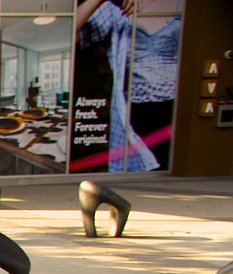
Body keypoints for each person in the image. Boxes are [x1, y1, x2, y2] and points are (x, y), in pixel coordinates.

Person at [75, 0, 181, 172]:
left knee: (177, 169)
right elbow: (69, 34)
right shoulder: (116, 8)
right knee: (146, 169)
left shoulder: (182, 5)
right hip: (137, 108)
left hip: (178, 106)